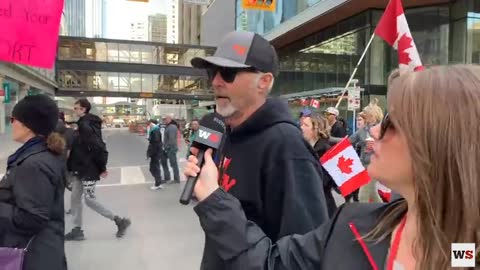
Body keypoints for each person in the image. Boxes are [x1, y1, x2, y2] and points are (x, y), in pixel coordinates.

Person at [184, 65, 480, 270]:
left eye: (390, 123)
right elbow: (269, 263)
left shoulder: (464, 251)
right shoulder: (352, 227)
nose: (374, 133)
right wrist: (214, 200)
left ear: (440, 142)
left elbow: (459, 252)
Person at [190, 30, 335, 269]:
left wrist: (215, 203)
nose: (216, 81)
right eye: (211, 72)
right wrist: (204, 185)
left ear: (264, 81)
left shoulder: (286, 147)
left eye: (228, 72)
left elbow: (304, 259)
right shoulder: (226, 133)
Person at [0, 95, 67, 270]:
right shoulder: (41, 155)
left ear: (27, 125)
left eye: (13, 119)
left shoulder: (33, 164)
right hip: (44, 251)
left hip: (32, 257)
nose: (11, 123)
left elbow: (32, 217)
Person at [65, 98, 131, 240]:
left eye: (76, 108)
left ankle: (119, 221)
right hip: (79, 169)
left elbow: (97, 147)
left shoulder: (86, 125)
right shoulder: (83, 124)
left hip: (88, 170)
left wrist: (101, 167)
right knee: (75, 198)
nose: (74, 110)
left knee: (89, 200)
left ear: (83, 109)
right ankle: (77, 230)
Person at [299, 112, 337, 213]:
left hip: (323, 205)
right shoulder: (304, 147)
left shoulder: (326, 151)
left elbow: (324, 181)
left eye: (306, 125)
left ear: (316, 129)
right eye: (301, 124)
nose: (301, 128)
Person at [350, 99, 384, 203]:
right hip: (363, 165)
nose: (367, 118)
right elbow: (349, 140)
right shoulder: (363, 130)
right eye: (366, 115)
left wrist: (377, 145)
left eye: (369, 115)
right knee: (373, 194)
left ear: (375, 116)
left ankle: (363, 216)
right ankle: (386, 212)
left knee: (362, 195)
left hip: (375, 165)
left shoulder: (383, 129)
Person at [146, 119, 165, 190]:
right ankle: (158, 182)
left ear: (153, 124)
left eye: (150, 124)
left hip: (155, 153)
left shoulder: (155, 130)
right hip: (156, 152)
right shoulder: (154, 130)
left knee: (153, 168)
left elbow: (155, 143)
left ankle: (158, 183)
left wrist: (150, 153)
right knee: (155, 168)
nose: (149, 125)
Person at [163, 114, 180, 184]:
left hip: (171, 148)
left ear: (170, 119)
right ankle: (168, 178)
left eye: (165, 119)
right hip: (168, 148)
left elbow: (172, 139)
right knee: (166, 162)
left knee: (173, 164)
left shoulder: (172, 127)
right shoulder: (169, 126)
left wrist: (168, 148)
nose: (164, 120)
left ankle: (176, 179)